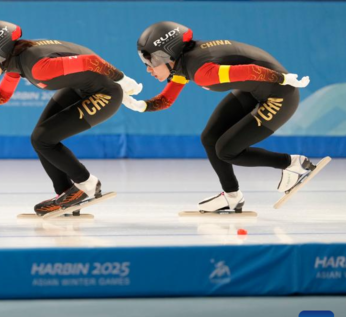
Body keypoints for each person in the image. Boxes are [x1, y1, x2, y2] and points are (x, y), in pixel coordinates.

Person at [0, 20, 142, 216]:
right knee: (39, 139)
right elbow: (2, 95)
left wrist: (122, 79)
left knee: (43, 139)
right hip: (82, 87)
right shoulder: (17, 59)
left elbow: (92, 60)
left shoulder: (38, 66)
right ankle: (67, 193)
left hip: (105, 93)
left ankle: (87, 184)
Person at [123, 21, 313, 213]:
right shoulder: (183, 63)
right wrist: (141, 106)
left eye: (150, 62)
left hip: (280, 96)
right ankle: (232, 197)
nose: (148, 69)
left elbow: (249, 71)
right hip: (255, 89)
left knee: (227, 151)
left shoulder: (202, 72)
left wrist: (282, 78)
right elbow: (166, 99)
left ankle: (293, 164)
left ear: (168, 54)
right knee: (210, 138)